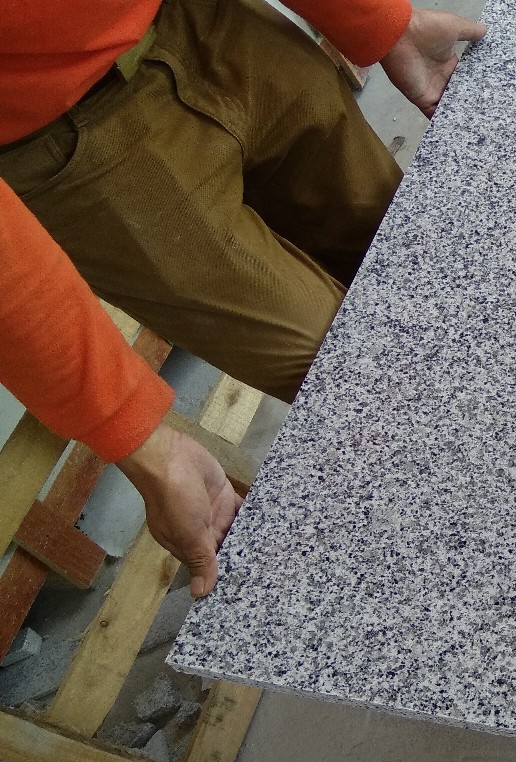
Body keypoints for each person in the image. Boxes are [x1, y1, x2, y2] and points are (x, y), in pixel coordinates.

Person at [0, 0, 485, 596]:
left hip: (207, 22)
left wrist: (378, 21)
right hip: (58, 143)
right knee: (363, 380)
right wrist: (137, 437)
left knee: (426, 263)